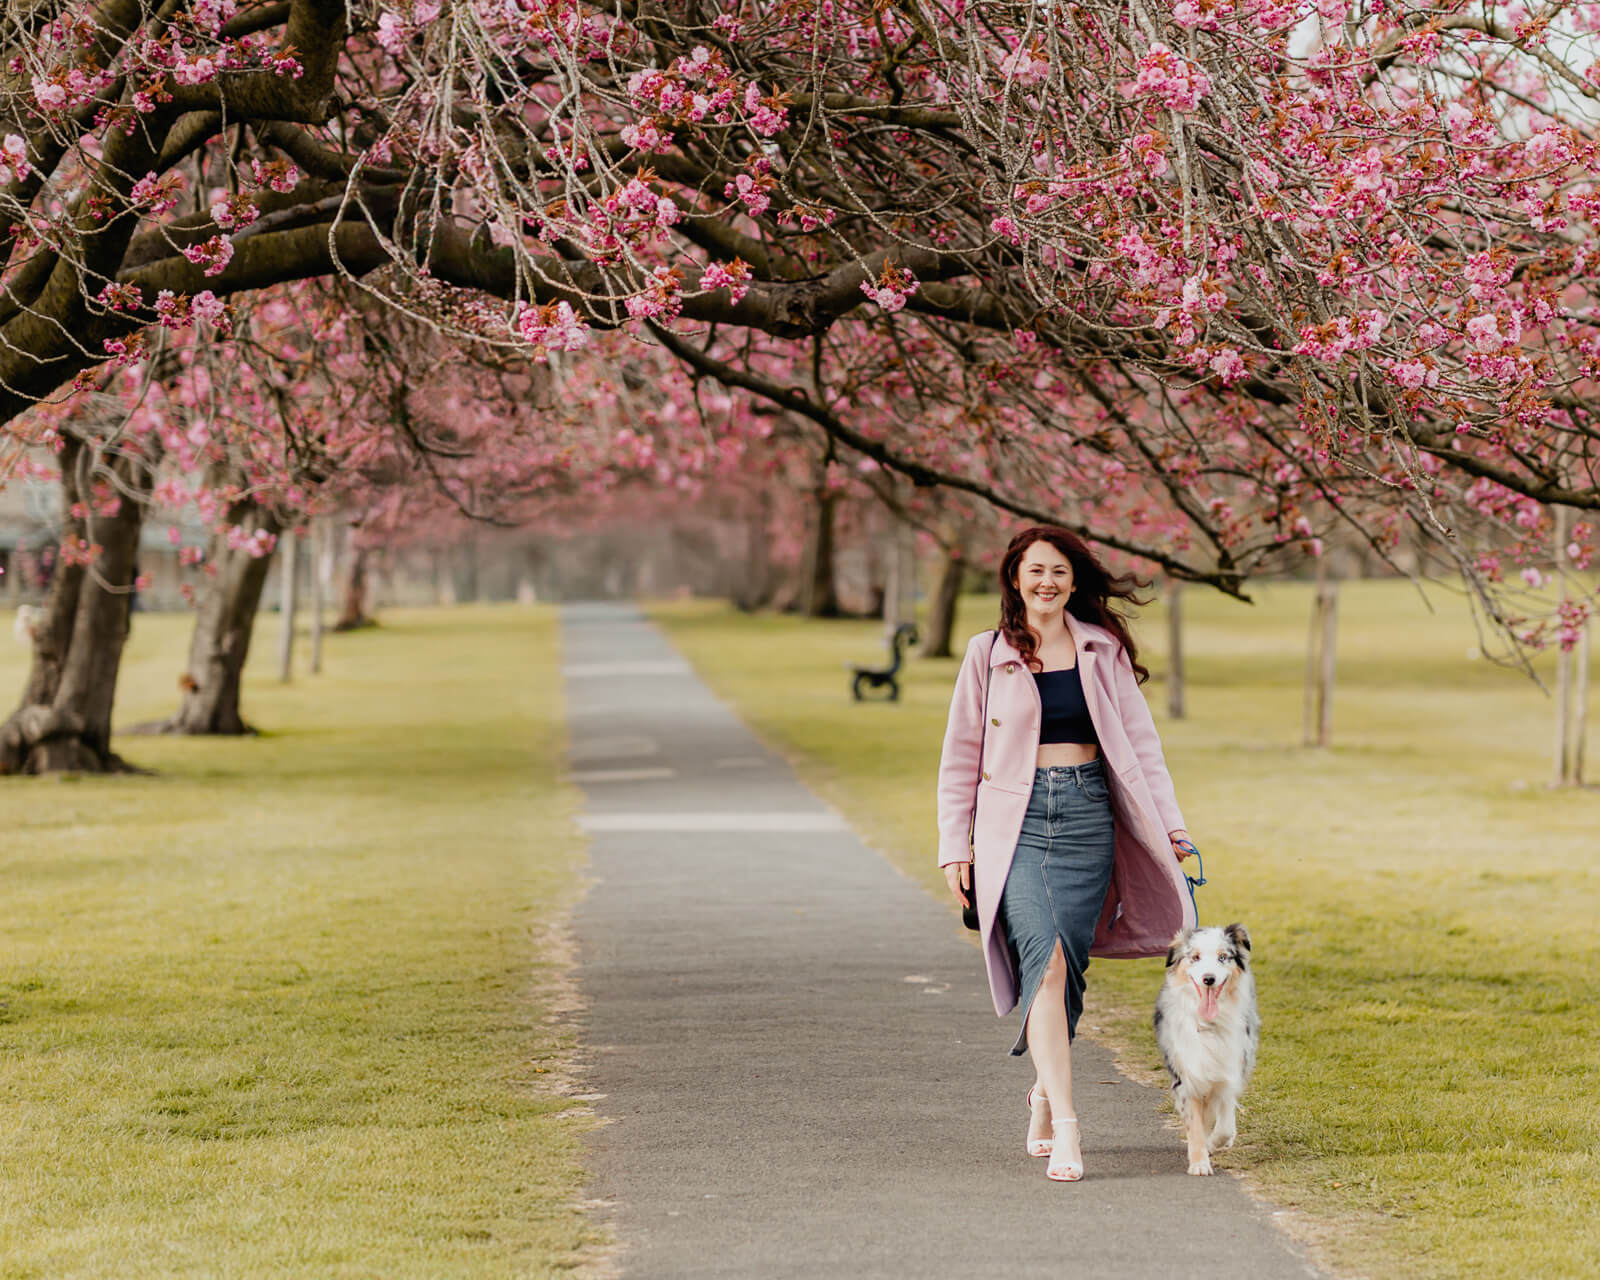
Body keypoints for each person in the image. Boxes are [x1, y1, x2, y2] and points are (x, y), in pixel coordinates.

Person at [935, 525, 1198, 1183]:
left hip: (1087, 819)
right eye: (1034, 572)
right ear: (1014, 580)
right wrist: (952, 845)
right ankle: (1071, 1127)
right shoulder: (986, 653)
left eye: (1058, 572)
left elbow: (1143, 748)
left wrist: (1171, 826)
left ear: (1074, 581)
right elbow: (960, 755)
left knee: (1067, 968)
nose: (1046, 582)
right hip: (1013, 827)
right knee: (1045, 965)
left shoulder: (1101, 650)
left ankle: (1044, 1093)